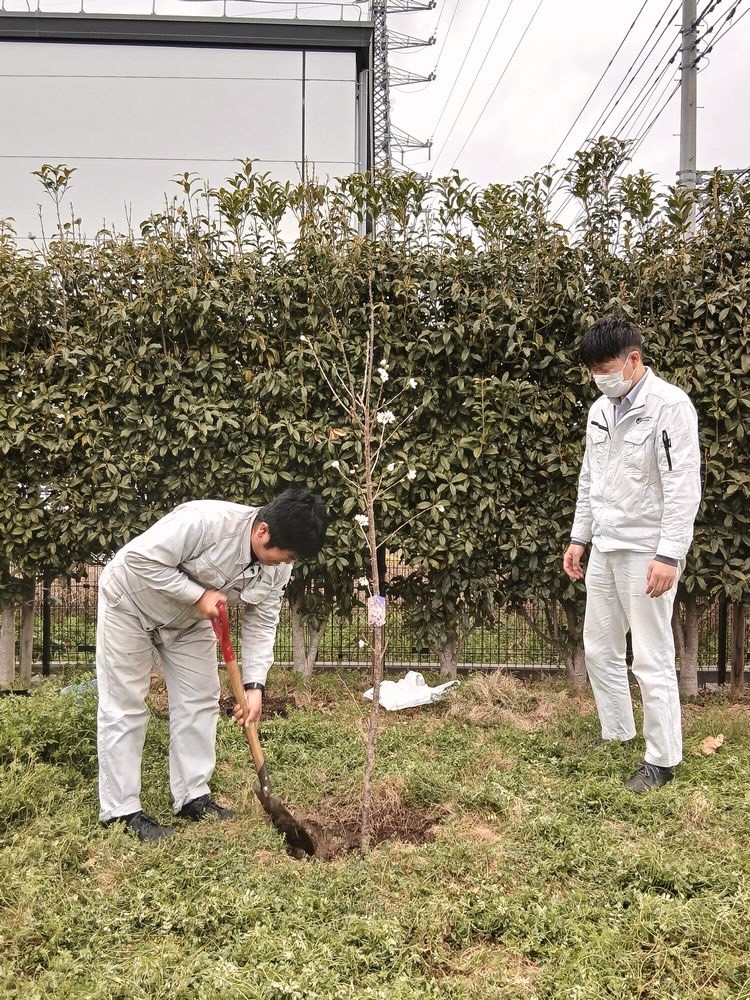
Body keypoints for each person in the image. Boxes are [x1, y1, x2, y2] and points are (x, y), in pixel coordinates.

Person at [96, 487, 327, 841]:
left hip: (188, 622)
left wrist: (254, 687)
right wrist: (198, 595)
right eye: (281, 556)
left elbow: (263, 620)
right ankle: (122, 811)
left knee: (201, 699)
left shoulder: (279, 566)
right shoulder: (204, 522)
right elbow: (137, 561)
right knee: (125, 705)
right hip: (129, 603)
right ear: (262, 531)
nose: (283, 565)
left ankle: (193, 797)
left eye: (290, 560)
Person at [563, 317, 701, 793]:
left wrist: (669, 554)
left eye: (605, 368)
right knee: (599, 647)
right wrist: (580, 537)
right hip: (604, 544)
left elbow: (684, 487)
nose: (600, 378)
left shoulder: (670, 407)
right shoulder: (600, 410)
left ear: (633, 360)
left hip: (647, 551)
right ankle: (617, 731)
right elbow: (589, 478)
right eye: (594, 371)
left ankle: (661, 760)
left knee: (651, 655)